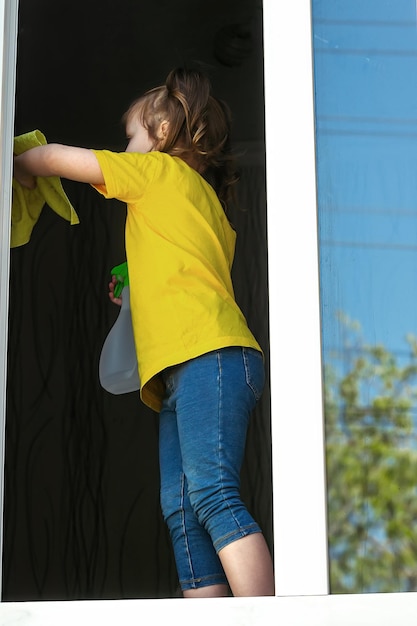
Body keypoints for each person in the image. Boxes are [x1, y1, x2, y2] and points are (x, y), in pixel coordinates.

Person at [13, 67, 275, 598]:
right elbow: (187, 271)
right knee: (181, 505)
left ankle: (263, 615)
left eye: (130, 136)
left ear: (160, 133)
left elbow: (69, 160)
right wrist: (136, 288)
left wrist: (21, 164)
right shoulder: (206, 205)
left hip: (208, 356)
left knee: (212, 495)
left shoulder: (156, 172)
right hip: (194, 363)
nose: (126, 148)